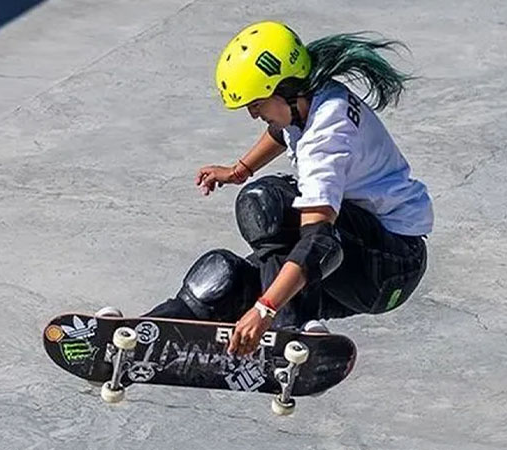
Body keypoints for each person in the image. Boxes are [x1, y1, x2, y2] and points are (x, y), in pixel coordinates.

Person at [142, 21, 433, 357]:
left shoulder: (325, 137)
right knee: (224, 277)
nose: (253, 114)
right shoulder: (310, 98)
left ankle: (289, 332)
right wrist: (239, 170)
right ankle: (143, 334)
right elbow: (282, 131)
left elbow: (318, 242)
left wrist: (265, 309)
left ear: (285, 90)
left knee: (266, 203)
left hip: (390, 264)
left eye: (256, 103)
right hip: (358, 254)